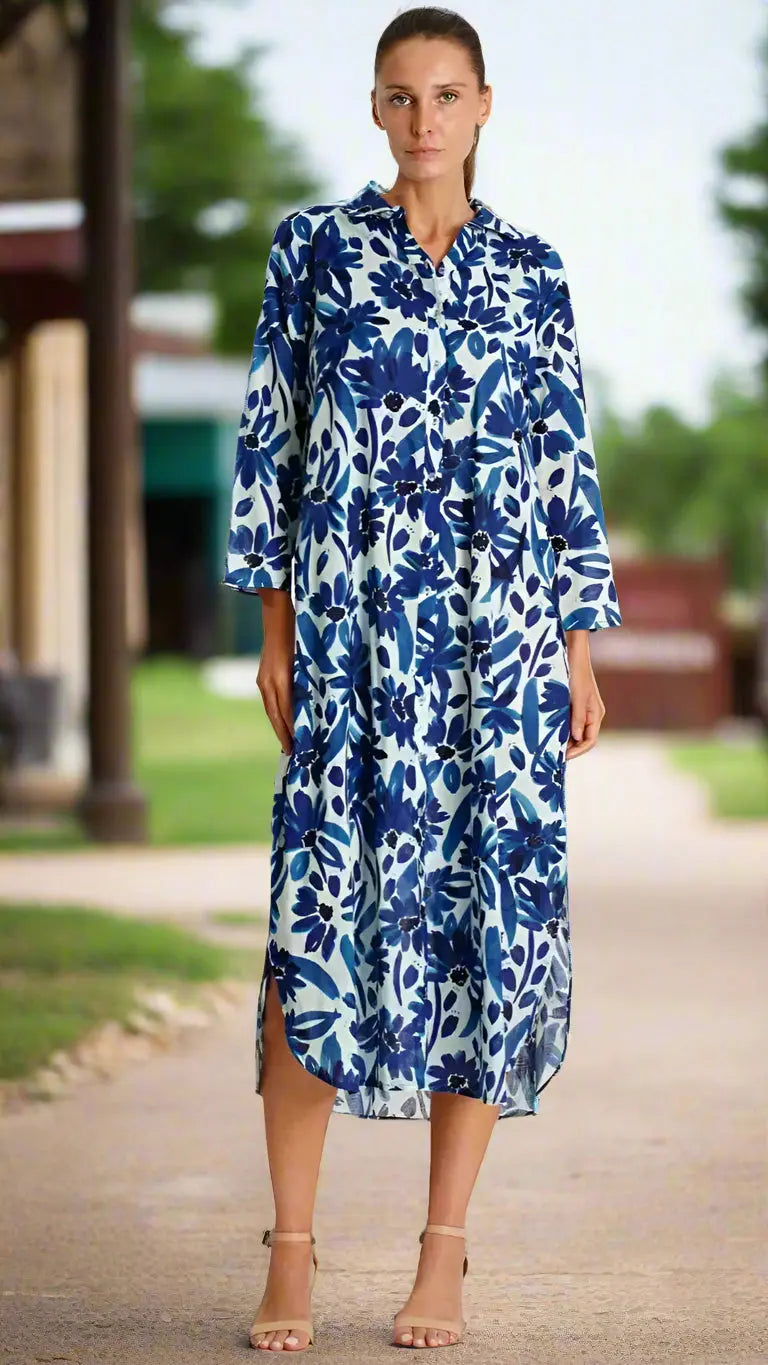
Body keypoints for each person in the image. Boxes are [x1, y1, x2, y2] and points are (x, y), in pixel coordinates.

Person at [222, 5, 623, 1352]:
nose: (425, 119)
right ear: (376, 109)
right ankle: (291, 1248)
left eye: (448, 94)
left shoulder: (536, 272)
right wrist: (275, 631)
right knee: (315, 929)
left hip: (498, 662)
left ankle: (443, 1253)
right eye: (402, 96)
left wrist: (577, 650)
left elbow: (565, 464)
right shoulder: (314, 255)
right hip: (348, 644)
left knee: (485, 939)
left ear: (485, 106)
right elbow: (271, 441)